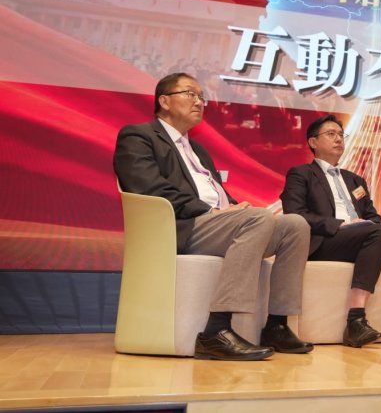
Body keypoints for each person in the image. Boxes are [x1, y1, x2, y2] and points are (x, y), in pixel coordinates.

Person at [113, 73, 312, 360]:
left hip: (214, 223)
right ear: (164, 101)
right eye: (190, 94)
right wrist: (214, 212)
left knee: (295, 225)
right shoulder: (139, 136)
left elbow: (216, 194)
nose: (198, 102)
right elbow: (150, 188)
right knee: (257, 219)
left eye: (201, 97)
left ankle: (277, 325)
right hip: (179, 227)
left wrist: (235, 208)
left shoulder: (197, 149)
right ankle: (215, 331)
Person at [281, 115, 381, 348]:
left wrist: (366, 224)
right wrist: (339, 224)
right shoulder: (301, 174)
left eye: (341, 135)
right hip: (326, 241)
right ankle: (355, 321)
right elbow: (295, 213)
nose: (339, 139)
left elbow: (373, 216)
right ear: (313, 142)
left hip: (366, 238)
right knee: (377, 233)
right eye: (331, 134)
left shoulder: (355, 180)